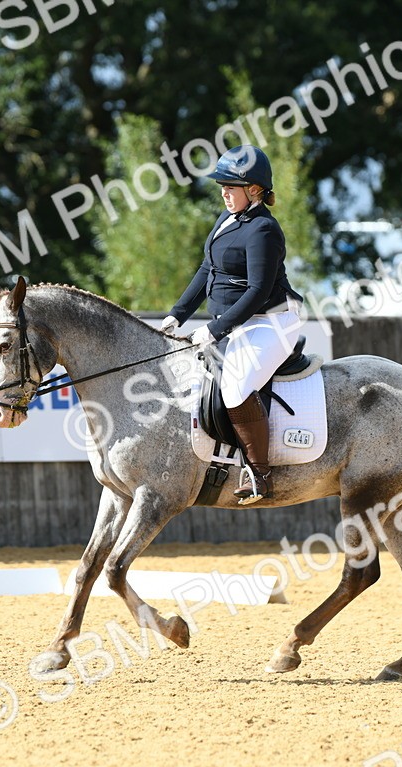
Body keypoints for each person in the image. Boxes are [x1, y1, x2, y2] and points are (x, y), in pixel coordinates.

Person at [158, 145, 303, 504]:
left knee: (236, 387)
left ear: (254, 190)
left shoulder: (264, 229)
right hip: (238, 322)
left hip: (273, 321)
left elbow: (257, 291)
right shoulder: (228, 219)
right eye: (221, 186)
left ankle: (260, 476)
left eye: (230, 187)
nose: (224, 193)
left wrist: (214, 329)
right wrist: (177, 315)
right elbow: (207, 269)